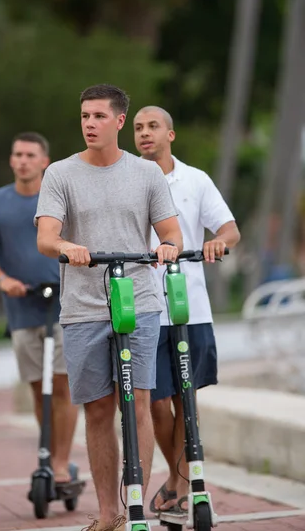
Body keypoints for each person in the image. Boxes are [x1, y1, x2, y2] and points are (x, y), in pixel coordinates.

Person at [35, 84, 183, 531]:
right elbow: (45, 238)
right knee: (97, 409)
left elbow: (171, 232)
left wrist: (169, 248)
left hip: (138, 302)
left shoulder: (146, 174)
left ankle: (134, 501)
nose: (89, 124)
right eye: (84, 116)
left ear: (120, 121)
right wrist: (67, 246)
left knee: (137, 401)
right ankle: (108, 514)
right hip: (82, 306)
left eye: (99, 116)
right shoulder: (60, 174)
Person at [133, 106, 241, 515]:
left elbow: (229, 228)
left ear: (170, 134)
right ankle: (178, 480)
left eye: (153, 126)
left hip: (190, 307)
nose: (145, 134)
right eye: (139, 128)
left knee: (186, 398)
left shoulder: (196, 180)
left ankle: (178, 484)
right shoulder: (129, 179)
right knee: (156, 402)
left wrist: (218, 243)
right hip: (141, 309)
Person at [0, 132, 78, 485]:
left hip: (66, 307)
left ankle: (60, 463)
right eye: (18, 154)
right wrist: (1, 279)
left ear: (45, 161)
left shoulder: (60, 197)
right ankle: (49, 454)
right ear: (12, 160)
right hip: (22, 311)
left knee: (62, 387)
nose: (23, 160)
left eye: (30, 154)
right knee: (37, 389)